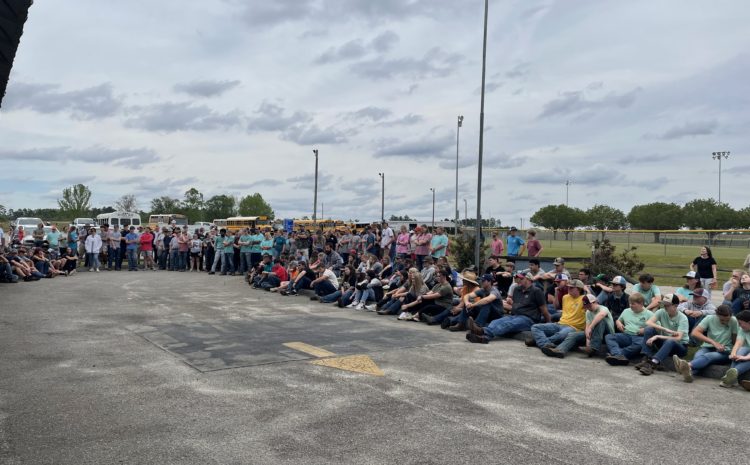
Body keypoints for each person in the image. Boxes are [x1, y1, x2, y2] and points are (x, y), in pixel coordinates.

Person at [465, 272, 550, 344]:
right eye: (517, 278)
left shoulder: (536, 291)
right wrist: (511, 304)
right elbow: (517, 306)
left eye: (521, 278)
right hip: (515, 315)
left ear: (528, 280)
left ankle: (481, 331)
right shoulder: (517, 289)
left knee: (509, 324)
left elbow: (543, 309)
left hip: (529, 319)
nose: (518, 280)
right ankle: (484, 338)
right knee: (497, 321)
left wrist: (548, 322)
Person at [673, 305, 738, 383]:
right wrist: (713, 343)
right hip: (708, 347)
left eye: (727, 320)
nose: (725, 322)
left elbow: (735, 340)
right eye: (722, 320)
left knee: (707, 356)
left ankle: (686, 365)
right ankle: (689, 374)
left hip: (725, 350)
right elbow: (695, 333)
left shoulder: (734, 321)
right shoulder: (709, 318)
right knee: (698, 356)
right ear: (716, 315)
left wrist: (729, 348)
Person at [544, 294, 614, 358]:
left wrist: (590, 327)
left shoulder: (603, 308)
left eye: (589, 305)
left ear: (594, 302)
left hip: (607, 334)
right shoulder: (588, 312)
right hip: (594, 334)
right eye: (586, 306)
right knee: (573, 334)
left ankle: (594, 347)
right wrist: (588, 343)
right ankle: (559, 350)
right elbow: (587, 328)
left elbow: (601, 315)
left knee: (600, 321)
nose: (588, 308)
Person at [636, 294, 689, 375]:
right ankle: (646, 359)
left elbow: (678, 338)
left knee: (670, 341)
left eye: (667, 305)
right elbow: (648, 322)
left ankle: (653, 364)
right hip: (665, 342)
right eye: (663, 304)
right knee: (648, 329)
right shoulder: (661, 311)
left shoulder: (683, 318)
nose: (664, 307)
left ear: (675, 306)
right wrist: (664, 329)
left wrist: (657, 336)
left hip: (680, 346)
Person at [532, 279, 586, 354]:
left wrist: (587, 290)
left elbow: (595, 302)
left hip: (573, 327)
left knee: (560, 335)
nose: (568, 289)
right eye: (568, 287)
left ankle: (538, 341)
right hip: (560, 323)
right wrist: (556, 293)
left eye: (571, 288)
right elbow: (556, 307)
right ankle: (544, 344)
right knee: (535, 327)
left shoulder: (585, 299)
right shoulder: (565, 297)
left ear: (579, 289)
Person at [604, 293, 654, 366]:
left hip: (639, 337)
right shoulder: (626, 311)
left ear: (641, 304)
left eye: (633, 304)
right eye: (630, 303)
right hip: (626, 335)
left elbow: (657, 326)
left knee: (641, 344)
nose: (631, 305)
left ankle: (617, 355)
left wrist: (645, 329)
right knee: (609, 337)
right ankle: (618, 355)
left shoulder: (649, 314)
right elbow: (619, 320)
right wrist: (618, 323)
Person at [719, 310, 750, 389]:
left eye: (740, 323)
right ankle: (732, 378)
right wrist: (733, 354)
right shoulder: (742, 329)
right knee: (741, 350)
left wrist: (745, 357)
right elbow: (738, 343)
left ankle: (731, 378)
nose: (739, 326)